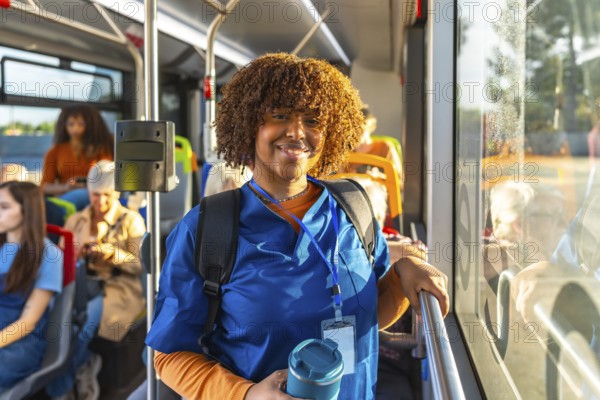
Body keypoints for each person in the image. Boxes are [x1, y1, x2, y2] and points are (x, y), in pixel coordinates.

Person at [146, 53, 448, 400]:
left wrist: (403, 273)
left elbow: (368, 313)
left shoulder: (353, 208)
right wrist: (246, 394)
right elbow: (169, 355)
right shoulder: (207, 229)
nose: (296, 132)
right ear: (249, 125)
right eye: (279, 116)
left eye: (313, 119)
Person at [47, 160, 146, 399]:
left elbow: (141, 265)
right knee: (54, 325)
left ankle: (61, 388)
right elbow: (59, 263)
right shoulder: (76, 220)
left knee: (82, 328)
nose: (100, 203)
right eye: (94, 196)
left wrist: (111, 253)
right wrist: (76, 253)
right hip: (79, 285)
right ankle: (82, 368)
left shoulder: (131, 221)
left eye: (106, 196)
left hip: (116, 287)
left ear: (116, 194)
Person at [0, 181, 63, 392]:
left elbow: (27, 322)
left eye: (4, 207)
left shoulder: (49, 255)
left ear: (26, 211)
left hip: (19, 341)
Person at [41, 105, 114, 210]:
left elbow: (108, 176)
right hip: (66, 197)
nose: (75, 128)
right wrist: (66, 187)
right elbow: (45, 187)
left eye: (81, 124)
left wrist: (88, 185)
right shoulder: (54, 151)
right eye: (71, 124)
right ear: (64, 125)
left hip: (98, 196)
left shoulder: (103, 148)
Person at [351, 108, 404, 190]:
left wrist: (379, 177)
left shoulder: (384, 148)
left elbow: (401, 183)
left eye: (360, 128)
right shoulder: (345, 154)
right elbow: (338, 182)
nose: (356, 133)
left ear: (369, 127)